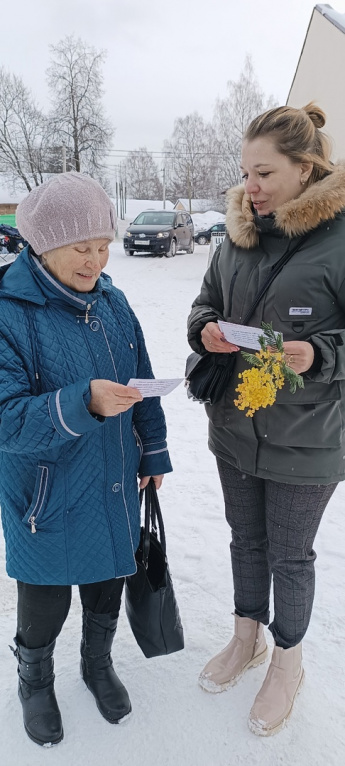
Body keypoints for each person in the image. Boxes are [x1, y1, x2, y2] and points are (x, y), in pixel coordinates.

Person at [187, 102, 345, 736]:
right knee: (244, 540)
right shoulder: (238, 232)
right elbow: (205, 302)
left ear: (306, 170)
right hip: (235, 424)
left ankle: (286, 661)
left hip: (307, 438)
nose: (248, 189)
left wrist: (322, 353)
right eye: (244, 173)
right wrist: (207, 332)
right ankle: (245, 636)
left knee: (290, 554)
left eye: (263, 174)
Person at [0, 172, 172, 747]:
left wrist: (154, 451)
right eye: (81, 248)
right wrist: (82, 403)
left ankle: (97, 665)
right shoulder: (9, 311)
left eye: (103, 246)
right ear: (42, 246)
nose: (96, 260)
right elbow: (7, 419)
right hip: (44, 495)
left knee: (107, 586)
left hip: (115, 483)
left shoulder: (114, 303)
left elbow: (141, 381)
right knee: (45, 601)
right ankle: (35, 681)